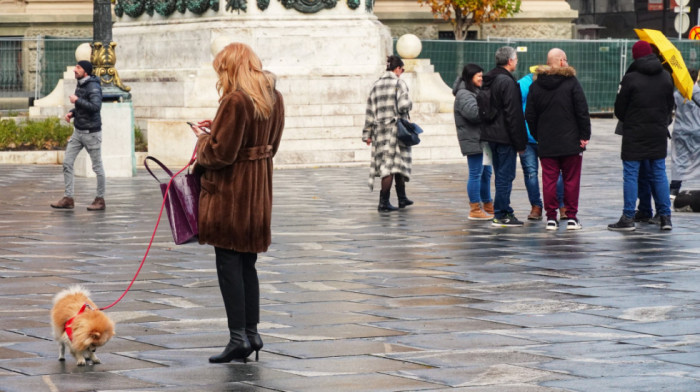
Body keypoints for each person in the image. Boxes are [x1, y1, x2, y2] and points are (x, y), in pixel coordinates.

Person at [189, 43, 284, 363]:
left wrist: (203, 140)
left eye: (222, 70)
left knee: (229, 265)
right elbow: (270, 144)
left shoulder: (235, 100)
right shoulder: (273, 97)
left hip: (230, 196)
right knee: (247, 265)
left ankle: (237, 338)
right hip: (257, 194)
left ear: (231, 68)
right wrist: (217, 129)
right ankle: (252, 333)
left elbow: (220, 154)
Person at [608, 40, 674, 231]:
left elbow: (620, 110)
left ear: (635, 56)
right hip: (657, 133)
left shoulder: (630, 78)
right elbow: (670, 107)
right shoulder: (666, 77)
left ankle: (628, 217)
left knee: (630, 175)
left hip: (634, 135)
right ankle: (665, 217)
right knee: (659, 173)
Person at [526, 48, 591, 230]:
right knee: (571, 180)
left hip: (547, 143)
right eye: (566, 59)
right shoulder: (571, 83)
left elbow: (529, 115)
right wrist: (584, 136)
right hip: (571, 143)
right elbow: (582, 111)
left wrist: (539, 135)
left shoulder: (536, 86)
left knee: (548, 180)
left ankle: (551, 218)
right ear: (562, 61)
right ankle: (571, 217)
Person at [480, 46, 528, 227]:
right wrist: (520, 142)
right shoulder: (507, 82)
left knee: (500, 174)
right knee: (505, 176)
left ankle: (504, 209)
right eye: (515, 59)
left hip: (491, 134)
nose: (517, 62)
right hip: (505, 136)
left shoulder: (488, 79)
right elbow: (513, 114)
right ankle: (501, 214)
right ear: (510, 61)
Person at [51, 60, 106, 211]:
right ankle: (68, 198)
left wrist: (77, 100)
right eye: (75, 66)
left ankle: (100, 200)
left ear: (86, 72)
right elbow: (82, 107)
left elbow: (95, 107)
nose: (75, 69)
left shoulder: (93, 86)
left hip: (92, 134)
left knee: (97, 167)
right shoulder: (81, 84)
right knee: (67, 163)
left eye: (78, 67)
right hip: (78, 132)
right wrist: (72, 112)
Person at [362, 55, 414, 212]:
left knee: (394, 164)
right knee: (389, 167)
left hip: (380, 131)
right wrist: (409, 103)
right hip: (395, 131)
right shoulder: (399, 84)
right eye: (402, 69)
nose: (402, 73)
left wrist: (367, 134)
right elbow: (404, 105)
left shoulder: (375, 85)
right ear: (397, 69)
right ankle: (383, 202)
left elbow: (370, 111)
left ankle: (402, 198)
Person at [453, 63, 493, 220]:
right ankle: (475, 209)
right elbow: (474, 114)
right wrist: (490, 107)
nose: (481, 79)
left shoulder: (475, 91)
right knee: (476, 173)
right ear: (471, 77)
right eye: (479, 77)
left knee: (487, 174)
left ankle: (488, 206)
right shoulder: (464, 94)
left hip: (484, 140)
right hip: (474, 140)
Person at [670, 68, 700, 200]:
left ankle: (674, 189)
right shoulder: (698, 93)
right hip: (697, 130)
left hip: (680, 131)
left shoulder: (677, 94)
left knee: (679, 160)